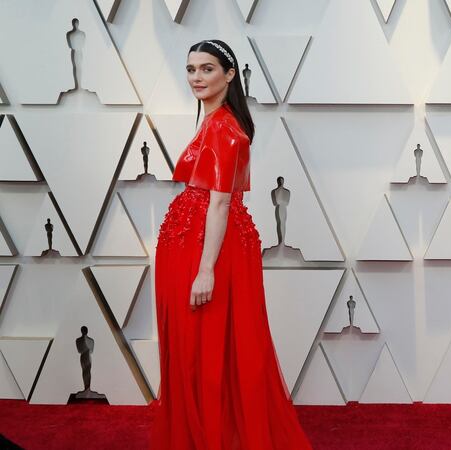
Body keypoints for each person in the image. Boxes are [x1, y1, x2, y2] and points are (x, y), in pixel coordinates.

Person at [149, 39, 312, 449]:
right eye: (191, 69)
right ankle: (208, 433)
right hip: (194, 239)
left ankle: (212, 437)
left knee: (206, 348)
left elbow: (220, 202)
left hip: (208, 246)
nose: (197, 77)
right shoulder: (213, 121)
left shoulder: (224, 127)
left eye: (207, 69)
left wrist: (206, 269)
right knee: (198, 347)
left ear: (230, 75)